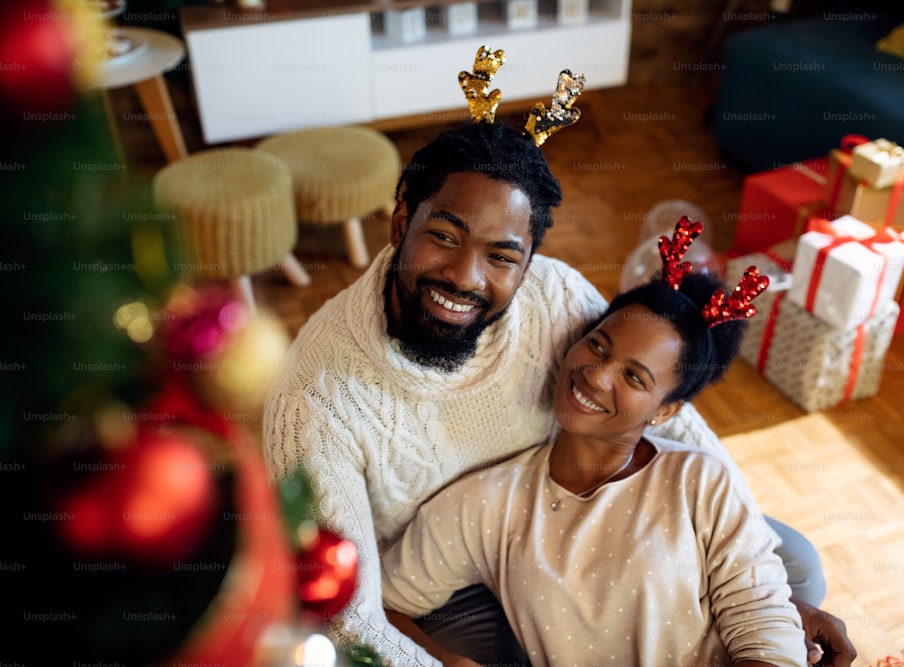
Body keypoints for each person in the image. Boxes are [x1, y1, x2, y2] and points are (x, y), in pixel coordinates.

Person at [263, 118, 855, 665]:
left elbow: (663, 412)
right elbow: (347, 614)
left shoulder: (554, 294)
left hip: (568, 497)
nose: (466, 276)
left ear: (528, 265)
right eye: (444, 236)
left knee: (791, 561)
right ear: (401, 223)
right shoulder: (315, 400)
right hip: (439, 572)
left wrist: (769, 600)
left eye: (501, 256)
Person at [380, 240, 807, 666]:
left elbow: (763, 629)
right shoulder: (485, 504)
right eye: (598, 346)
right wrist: (440, 660)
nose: (597, 376)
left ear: (666, 411)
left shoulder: (701, 479)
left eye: (634, 377)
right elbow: (377, 604)